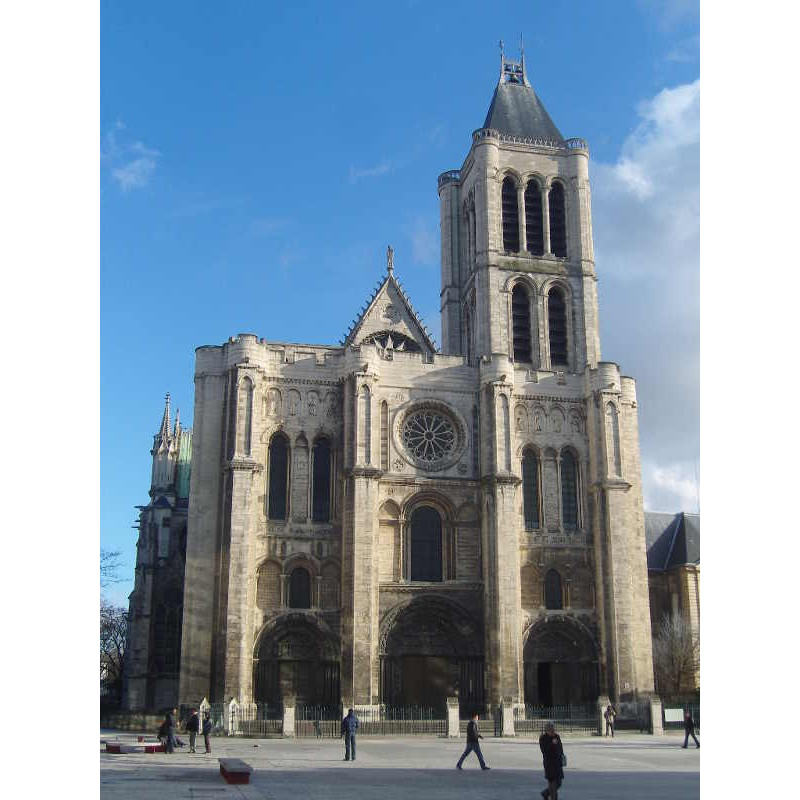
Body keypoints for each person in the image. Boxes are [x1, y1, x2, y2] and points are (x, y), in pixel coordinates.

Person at [539, 721, 565, 799]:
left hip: (557, 763)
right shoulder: (543, 738)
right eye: (551, 730)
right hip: (549, 764)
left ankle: (545, 793)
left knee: (558, 783)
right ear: (547, 731)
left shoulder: (557, 736)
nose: (553, 731)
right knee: (552, 784)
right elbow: (545, 751)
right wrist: (552, 744)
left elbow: (560, 748)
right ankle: (551, 797)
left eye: (553, 729)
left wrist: (562, 755)